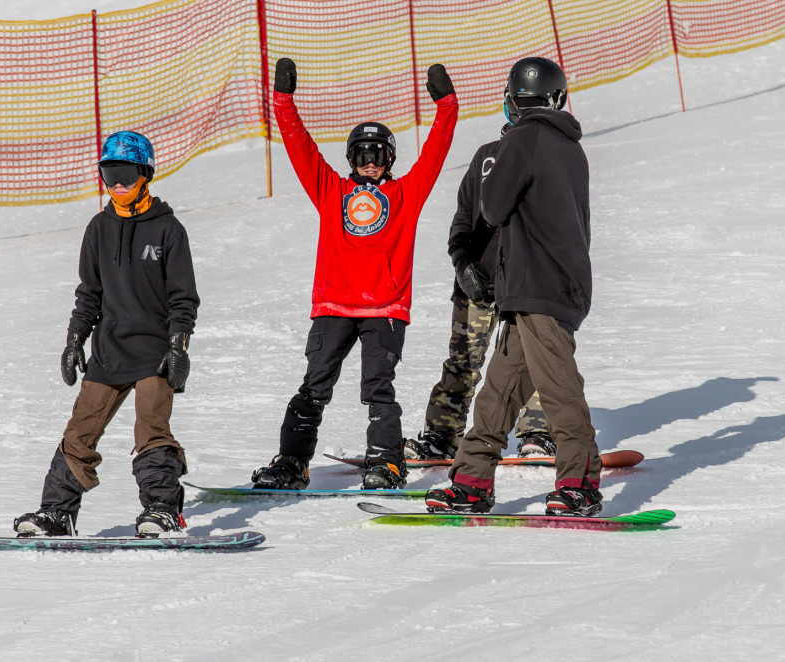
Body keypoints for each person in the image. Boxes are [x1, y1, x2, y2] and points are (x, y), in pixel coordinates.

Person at [251, 57, 458, 491]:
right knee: (314, 385)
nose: (370, 163)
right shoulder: (331, 191)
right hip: (333, 305)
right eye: (363, 154)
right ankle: (292, 463)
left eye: (378, 155)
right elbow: (300, 147)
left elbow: (437, 150)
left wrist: (447, 105)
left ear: (390, 159)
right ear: (351, 158)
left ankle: (386, 464)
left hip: (385, 307)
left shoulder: (406, 193)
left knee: (378, 389)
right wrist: (283, 100)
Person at [425, 57, 603, 517]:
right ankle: (471, 480)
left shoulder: (524, 137)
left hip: (539, 286)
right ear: (558, 97)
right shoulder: (571, 147)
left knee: (558, 387)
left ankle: (580, 481)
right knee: (498, 392)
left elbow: (493, 206)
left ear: (512, 100)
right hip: (548, 286)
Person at [14, 131, 200, 538]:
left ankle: (162, 510)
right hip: (109, 352)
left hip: (155, 353)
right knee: (79, 431)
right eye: (109, 173)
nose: (117, 183)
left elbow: (183, 298)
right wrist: (74, 339)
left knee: (151, 430)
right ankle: (57, 513)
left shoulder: (169, 230)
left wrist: (178, 346)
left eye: (125, 173)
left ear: (145, 174)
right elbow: (89, 293)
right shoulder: (98, 228)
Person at [404, 123, 553, 461]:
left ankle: (537, 434)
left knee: (532, 359)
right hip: (478, 282)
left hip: (525, 284)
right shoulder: (486, 156)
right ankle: (441, 437)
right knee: (463, 363)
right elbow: (463, 217)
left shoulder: (547, 157)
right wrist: (462, 261)